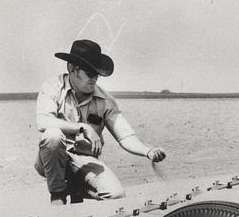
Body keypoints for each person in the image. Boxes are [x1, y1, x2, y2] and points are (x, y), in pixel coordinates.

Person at [35, 39, 167, 205]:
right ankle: (57, 195)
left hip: (85, 160)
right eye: (89, 73)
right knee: (52, 135)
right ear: (72, 69)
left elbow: (125, 137)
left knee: (116, 195)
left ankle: (78, 189)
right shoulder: (51, 87)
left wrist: (148, 151)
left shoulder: (106, 101)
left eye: (97, 74)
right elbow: (42, 121)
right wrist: (82, 128)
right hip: (52, 160)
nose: (94, 78)